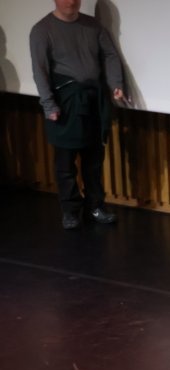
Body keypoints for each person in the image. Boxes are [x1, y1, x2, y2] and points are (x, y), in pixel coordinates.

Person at [29, 0, 124, 230]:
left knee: (94, 161)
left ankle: (95, 206)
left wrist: (116, 83)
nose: (70, 2)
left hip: (92, 101)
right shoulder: (42, 30)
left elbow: (110, 55)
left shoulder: (93, 26)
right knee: (65, 164)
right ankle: (71, 211)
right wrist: (49, 105)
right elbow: (39, 70)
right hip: (65, 102)